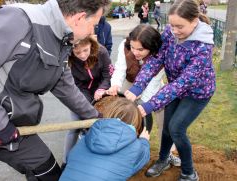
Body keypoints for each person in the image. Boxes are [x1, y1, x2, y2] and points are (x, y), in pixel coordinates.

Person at [0, 0, 110, 180]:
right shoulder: (18, 20)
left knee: (49, 174)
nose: (92, 32)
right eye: (93, 25)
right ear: (80, 18)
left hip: (14, 128)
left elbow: (66, 87)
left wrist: (94, 117)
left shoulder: (63, 40)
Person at [124, 0, 215, 180]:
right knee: (167, 127)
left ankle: (189, 173)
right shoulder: (169, 32)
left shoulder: (203, 47)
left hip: (197, 93)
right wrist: (137, 87)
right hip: (175, 89)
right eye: (172, 25)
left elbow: (183, 82)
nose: (174, 31)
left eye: (179, 26)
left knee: (176, 129)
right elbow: (157, 60)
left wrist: (151, 105)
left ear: (194, 21)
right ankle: (164, 159)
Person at [107, 24, 181, 167]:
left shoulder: (161, 53)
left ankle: (166, 154)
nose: (135, 52)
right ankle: (124, 153)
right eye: (133, 47)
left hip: (152, 87)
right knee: (124, 116)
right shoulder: (124, 45)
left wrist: (142, 106)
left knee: (164, 119)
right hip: (129, 84)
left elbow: (153, 82)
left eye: (140, 49)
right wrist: (115, 85)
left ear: (152, 47)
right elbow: (120, 69)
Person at [59, 97, 150, 181]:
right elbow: (142, 160)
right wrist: (144, 141)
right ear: (136, 122)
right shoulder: (137, 147)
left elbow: (70, 158)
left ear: (109, 112)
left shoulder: (87, 137)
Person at [62, 36, 113, 167]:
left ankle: (99, 158)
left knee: (100, 123)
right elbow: (74, 85)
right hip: (79, 92)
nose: (83, 55)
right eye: (78, 53)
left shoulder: (102, 52)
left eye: (85, 50)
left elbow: (108, 74)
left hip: (101, 90)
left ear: (91, 45)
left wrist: (102, 88)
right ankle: (66, 161)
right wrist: (86, 104)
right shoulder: (68, 59)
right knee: (74, 126)